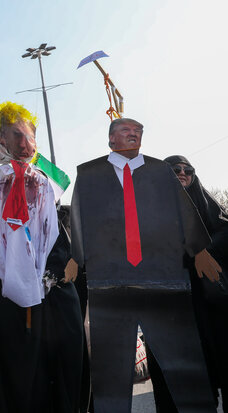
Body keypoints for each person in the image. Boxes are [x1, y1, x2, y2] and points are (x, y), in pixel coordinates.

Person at [68, 118, 221, 413]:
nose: (133, 135)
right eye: (126, 131)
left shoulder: (160, 171)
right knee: (110, 376)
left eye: (137, 132)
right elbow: (78, 215)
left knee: (186, 367)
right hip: (109, 283)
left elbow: (184, 211)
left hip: (164, 280)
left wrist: (199, 250)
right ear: (111, 139)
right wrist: (77, 256)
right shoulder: (88, 173)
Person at [0, 102, 65, 412]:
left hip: (36, 289)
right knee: (4, 363)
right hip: (0, 287)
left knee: (35, 364)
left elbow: (50, 235)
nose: (24, 144)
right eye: (15, 136)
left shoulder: (44, 184)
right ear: (1, 140)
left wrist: (42, 278)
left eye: (29, 136)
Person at [145, 155, 228, 412]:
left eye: (187, 170)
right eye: (175, 169)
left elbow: (224, 233)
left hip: (211, 308)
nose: (182, 173)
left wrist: (198, 249)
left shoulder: (206, 206)